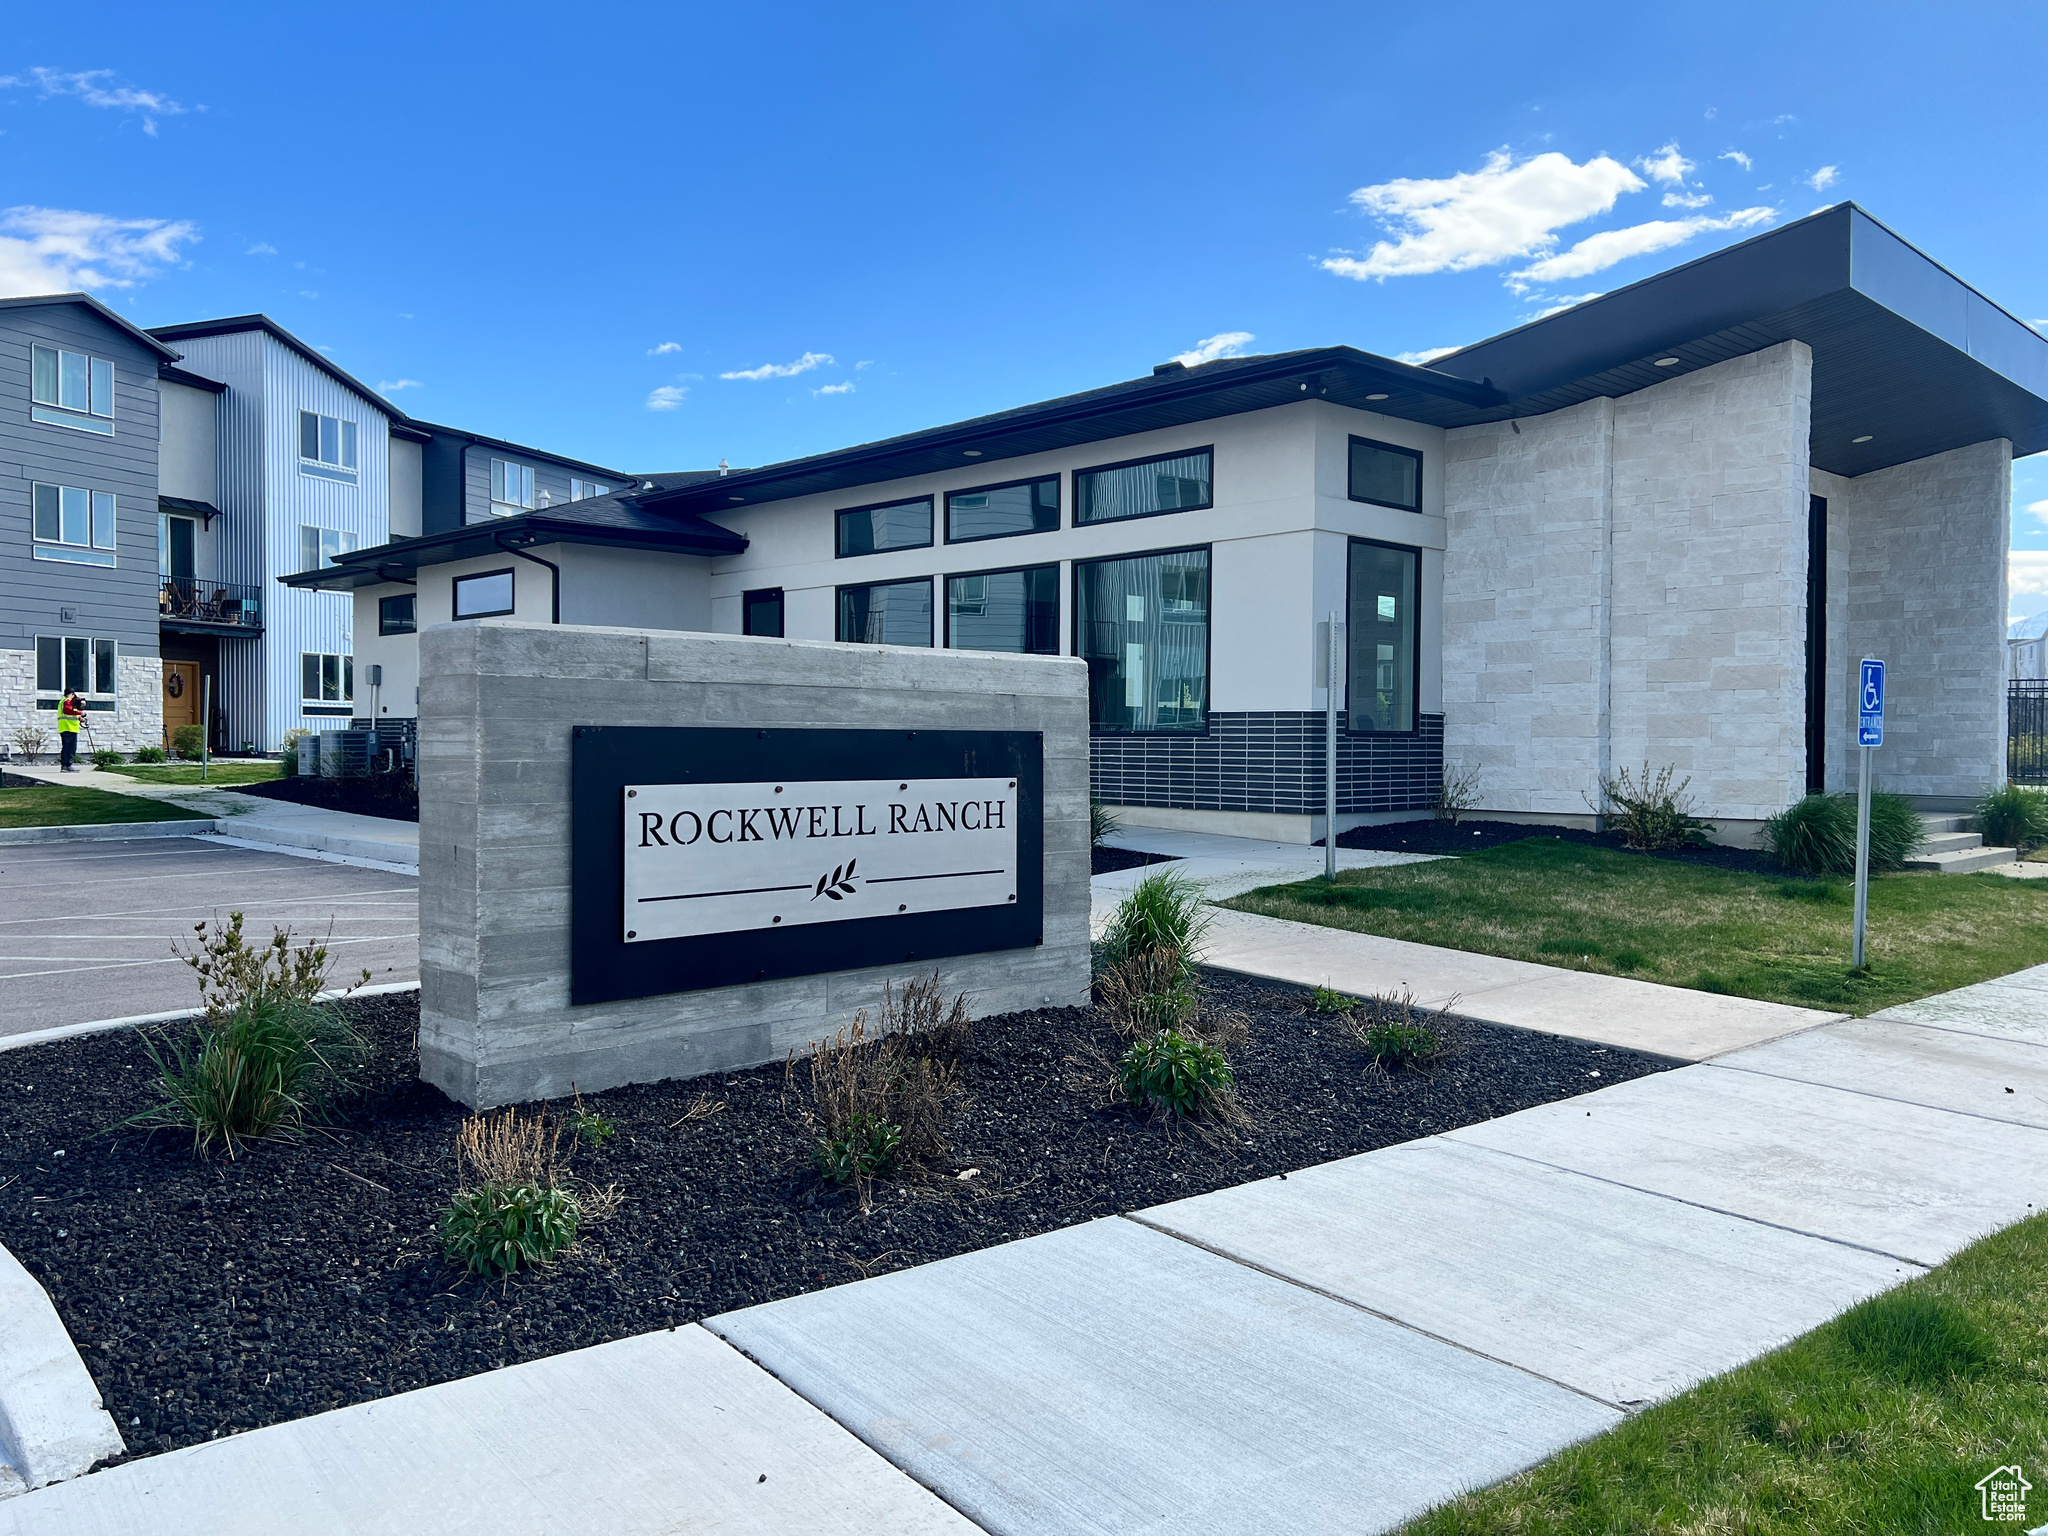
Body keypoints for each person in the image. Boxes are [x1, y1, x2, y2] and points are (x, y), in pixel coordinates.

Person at [57, 690, 84, 771]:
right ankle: (67, 765)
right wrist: (81, 712)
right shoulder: (67, 701)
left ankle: (65, 765)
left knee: (66, 747)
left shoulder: (63, 701)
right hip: (69, 728)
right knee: (70, 748)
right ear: (72, 694)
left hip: (66, 727)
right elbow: (67, 711)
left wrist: (79, 718)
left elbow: (71, 712)